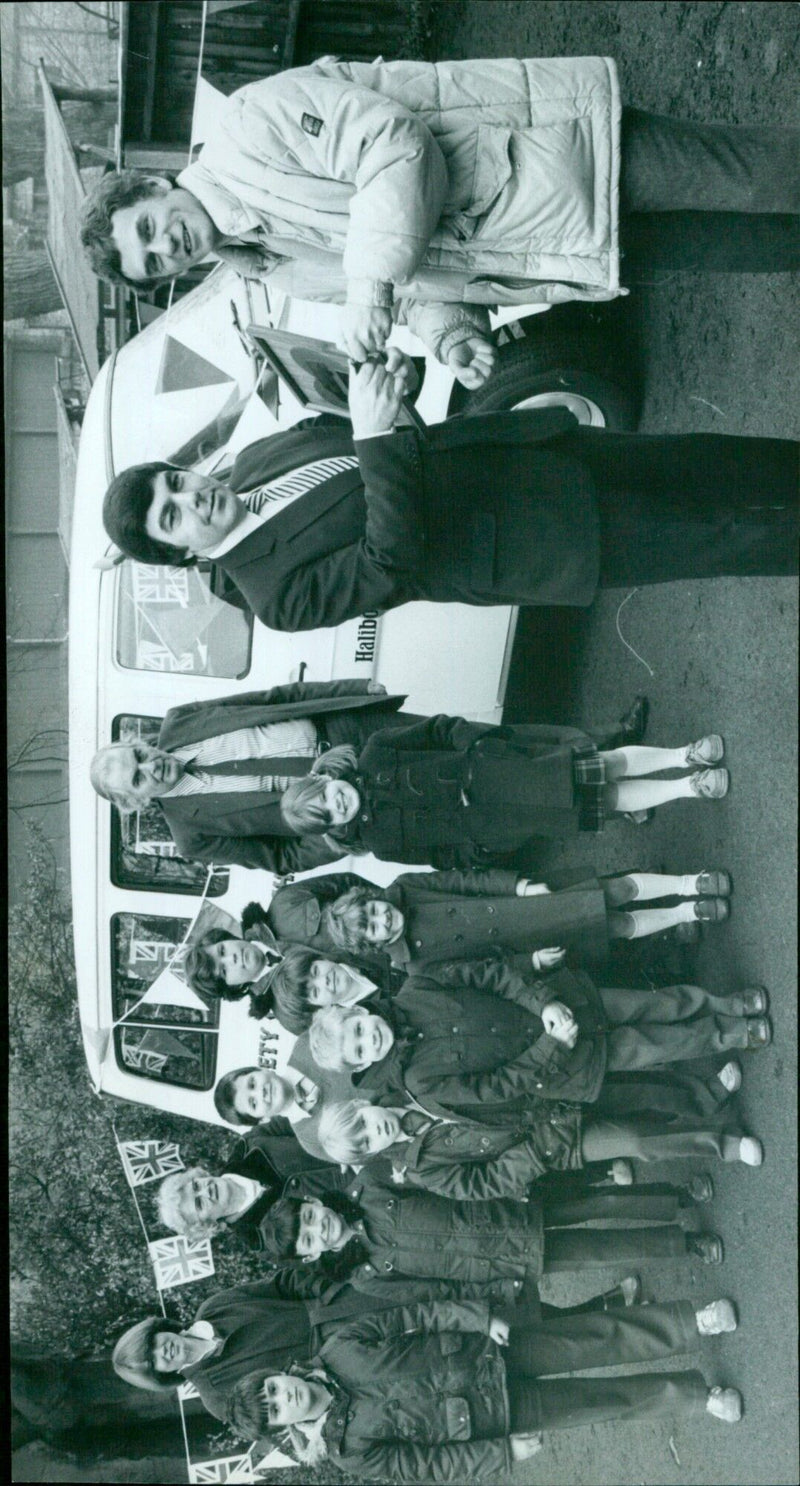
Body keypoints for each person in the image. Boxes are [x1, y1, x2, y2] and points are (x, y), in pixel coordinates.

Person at [80, 54, 800, 371]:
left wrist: (369, 287)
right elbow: (408, 294)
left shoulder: (248, 127)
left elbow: (394, 149)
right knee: (751, 248)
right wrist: (451, 332)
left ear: (152, 187)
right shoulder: (271, 267)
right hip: (560, 246)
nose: (167, 245)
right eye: (155, 263)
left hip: (564, 155)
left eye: (148, 227)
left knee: (762, 176)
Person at [99, 369, 800, 632]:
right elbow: (389, 560)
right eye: (172, 514)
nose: (191, 497)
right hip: (539, 542)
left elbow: (383, 437)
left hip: (525, 453)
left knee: (709, 458)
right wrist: (376, 438)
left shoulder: (256, 460)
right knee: (731, 534)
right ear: (177, 550)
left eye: (176, 480)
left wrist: (389, 396)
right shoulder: (274, 597)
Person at [225, 1297, 744, 1476]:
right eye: (273, 1411)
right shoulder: (348, 1450)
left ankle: (692, 1322)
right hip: (497, 1416)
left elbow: (416, 1315)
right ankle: (700, 1397)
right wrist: (502, 1453)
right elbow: (427, 1467)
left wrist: (477, 1318)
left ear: (279, 1373)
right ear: (282, 1428)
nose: (282, 1398)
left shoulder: (339, 1347)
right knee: (603, 1402)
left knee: (596, 1338)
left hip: (490, 1351)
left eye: (271, 1388)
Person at [306, 960, 770, 1114]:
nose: (372, 1039)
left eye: (361, 1029)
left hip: (563, 1001)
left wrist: (543, 1004)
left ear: (359, 1010)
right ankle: (730, 1035)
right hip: (566, 1060)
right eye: (362, 1050)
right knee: (656, 1046)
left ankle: (722, 1003)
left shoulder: (417, 986)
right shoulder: (421, 1084)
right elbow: (497, 1087)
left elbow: (489, 975)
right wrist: (553, 1044)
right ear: (363, 1064)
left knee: (657, 1004)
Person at [272, 721, 738, 869]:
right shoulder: (379, 843)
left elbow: (438, 730)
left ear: (327, 776)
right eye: (329, 815)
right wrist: (481, 847)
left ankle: (685, 754)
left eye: (329, 794)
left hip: (502, 769)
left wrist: (478, 744)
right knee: (606, 802)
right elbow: (439, 856)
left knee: (605, 764)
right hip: (498, 823)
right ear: (332, 828)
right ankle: (688, 788)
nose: (338, 804)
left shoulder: (377, 751)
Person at [87, 679, 418, 873]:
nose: (151, 766)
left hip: (349, 730)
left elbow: (274, 699)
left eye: (140, 756)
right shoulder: (192, 836)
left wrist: (355, 687)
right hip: (359, 808)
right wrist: (342, 834)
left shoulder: (180, 720)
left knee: (462, 741)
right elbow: (280, 856)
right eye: (138, 779)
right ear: (138, 802)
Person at [264, 863, 734, 979]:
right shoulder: (413, 966)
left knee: (612, 891)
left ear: (371, 897)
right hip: (525, 941)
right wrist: (530, 961)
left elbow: (466, 881)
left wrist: (516, 885)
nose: (381, 918)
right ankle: (684, 913)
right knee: (615, 928)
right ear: (371, 945)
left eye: (371, 908)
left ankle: (692, 882)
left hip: (525, 903)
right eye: (372, 927)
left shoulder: (406, 888)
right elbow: (484, 971)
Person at [318, 1098, 764, 1198]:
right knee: (632, 1141)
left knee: (637, 1091)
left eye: (365, 1122)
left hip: (542, 1090)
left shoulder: (410, 1082)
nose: (377, 1130)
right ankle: (723, 1142)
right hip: (544, 1141)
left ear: (363, 1103)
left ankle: (704, 1097)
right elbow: (485, 1183)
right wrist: (534, 1155)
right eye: (369, 1141)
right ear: (373, 1154)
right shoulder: (421, 1168)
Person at [212, 1060, 356, 1164]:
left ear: (261, 1069)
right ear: (263, 1120)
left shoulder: (306, 1048)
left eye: (252, 1083)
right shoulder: (312, 1141)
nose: (260, 1092)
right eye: (253, 1103)